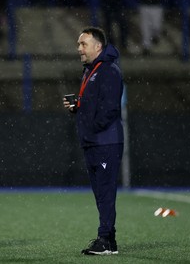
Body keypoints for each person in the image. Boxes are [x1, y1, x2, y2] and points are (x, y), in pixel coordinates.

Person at [63, 27, 124, 255]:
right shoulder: (92, 70)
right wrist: (78, 107)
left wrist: (91, 126)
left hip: (105, 141)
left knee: (105, 191)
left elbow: (109, 110)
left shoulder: (108, 71)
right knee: (101, 192)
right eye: (79, 44)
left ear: (98, 46)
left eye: (83, 44)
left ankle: (106, 240)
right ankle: (109, 239)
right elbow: (96, 106)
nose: (79, 48)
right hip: (94, 141)